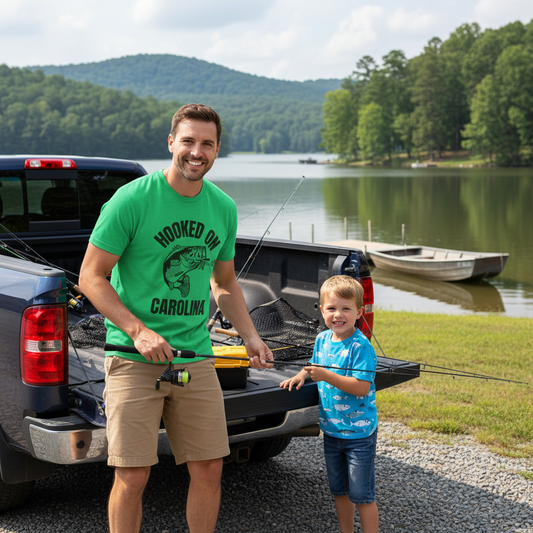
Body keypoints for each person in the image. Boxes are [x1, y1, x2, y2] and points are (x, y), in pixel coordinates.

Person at [79, 103, 273, 533]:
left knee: (209, 469)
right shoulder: (132, 200)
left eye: (206, 143)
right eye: (188, 141)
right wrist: (138, 330)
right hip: (131, 356)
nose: (196, 151)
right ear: (171, 143)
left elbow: (223, 283)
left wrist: (251, 336)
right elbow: (91, 278)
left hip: (195, 359)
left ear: (218, 149)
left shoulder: (222, 207)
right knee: (132, 475)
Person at [280, 275, 379, 533]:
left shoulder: (361, 346)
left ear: (359, 312)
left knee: (363, 496)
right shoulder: (322, 339)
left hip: (359, 434)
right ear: (321, 310)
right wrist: (302, 375)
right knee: (339, 491)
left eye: (346, 309)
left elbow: (361, 387)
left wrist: (326, 376)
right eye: (332, 308)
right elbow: (315, 366)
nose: (338, 315)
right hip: (332, 431)